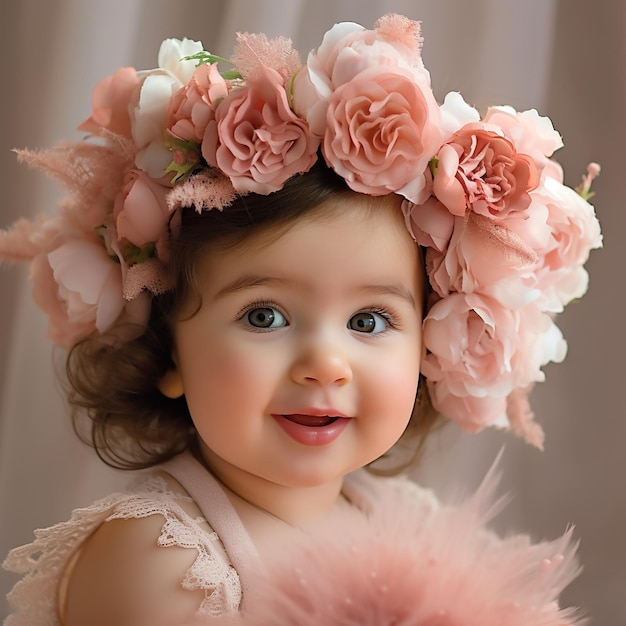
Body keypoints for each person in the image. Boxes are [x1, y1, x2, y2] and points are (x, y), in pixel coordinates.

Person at [0, 14, 601, 626]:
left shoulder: (410, 528)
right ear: (167, 349)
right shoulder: (159, 559)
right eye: (264, 315)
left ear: (428, 341)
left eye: (369, 321)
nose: (324, 364)